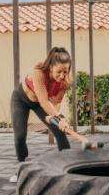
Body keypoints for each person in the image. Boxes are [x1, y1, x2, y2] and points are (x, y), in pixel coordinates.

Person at [9, 47, 72, 182]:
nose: (62, 75)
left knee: (60, 131)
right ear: (50, 68)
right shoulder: (38, 73)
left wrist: (55, 118)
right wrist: (60, 118)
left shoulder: (65, 81)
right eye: (59, 71)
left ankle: (67, 167)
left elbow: (56, 103)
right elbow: (44, 101)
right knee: (20, 136)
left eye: (65, 71)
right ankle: (21, 170)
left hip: (39, 103)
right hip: (20, 100)